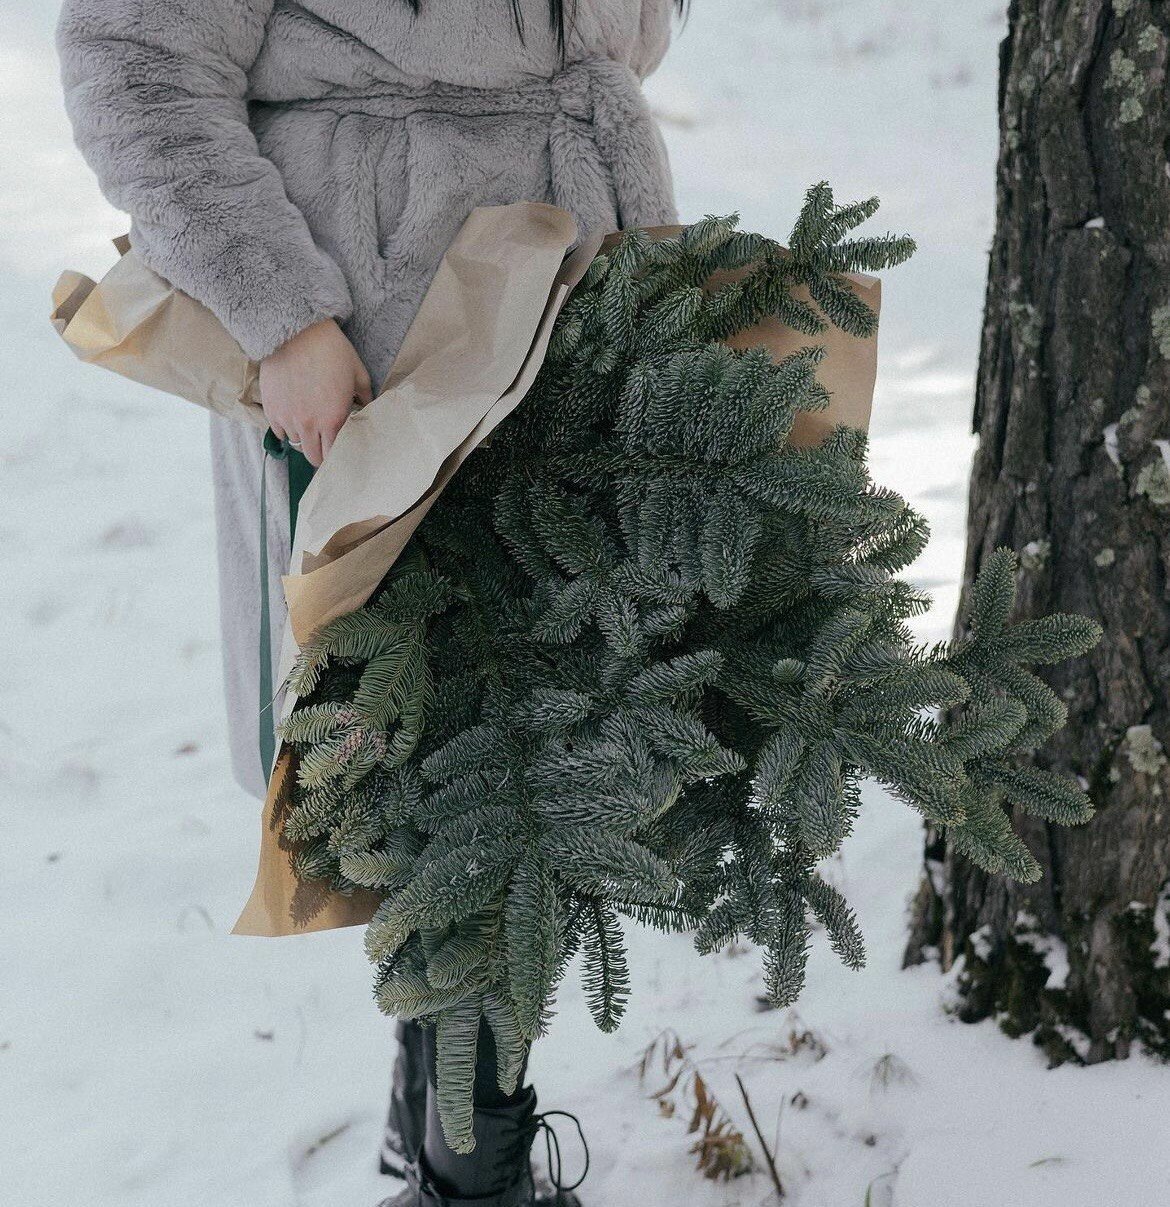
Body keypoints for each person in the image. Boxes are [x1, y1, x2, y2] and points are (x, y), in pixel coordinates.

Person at [56, 2, 681, 1203]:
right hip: (367, 336)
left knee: (544, 750)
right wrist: (281, 312)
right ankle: (473, 1179)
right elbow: (134, 54)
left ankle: (436, 1130)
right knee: (434, 758)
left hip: (577, 287)